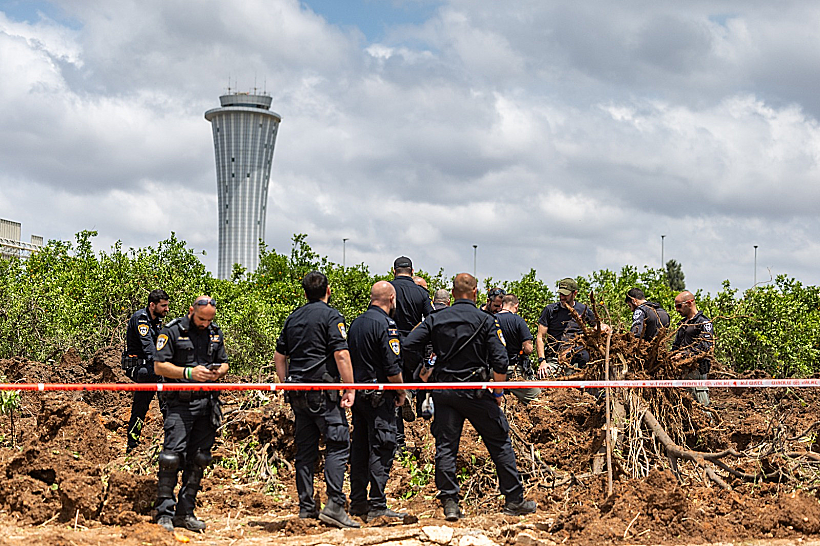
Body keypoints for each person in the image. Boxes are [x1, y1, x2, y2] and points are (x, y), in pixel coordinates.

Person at [403, 273, 536, 521]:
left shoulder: (435, 318)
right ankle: (513, 500)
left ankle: (450, 504)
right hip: (476, 390)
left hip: (444, 391)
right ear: (475, 294)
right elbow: (501, 359)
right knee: (499, 442)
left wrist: (423, 369)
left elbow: (409, 344)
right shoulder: (486, 320)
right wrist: (498, 391)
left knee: (446, 447)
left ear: (452, 294)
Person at [273, 271, 359, 529]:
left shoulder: (293, 317)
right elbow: (341, 355)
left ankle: (306, 506)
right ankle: (334, 504)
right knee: (338, 443)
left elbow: (279, 357)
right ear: (328, 291)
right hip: (323, 394)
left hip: (297, 392)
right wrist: (350, 389)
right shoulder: (332, 316)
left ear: (304, 292)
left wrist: (286, 383)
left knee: (306, 450)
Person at [153, 296, 228, 532]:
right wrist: (188, 373)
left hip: (207, 403)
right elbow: (159, 366)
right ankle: (164, 512)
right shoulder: (172, 331)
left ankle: (185, 513)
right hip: (180, 404)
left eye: (209, 319)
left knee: (199, 459)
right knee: (171, 458)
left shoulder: (215, 333)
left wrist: (217, 373)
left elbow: (224, 363)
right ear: (191, 311)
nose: (205, 323)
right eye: (201, 318)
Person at [347, 281, 408, 522]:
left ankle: (358, 501)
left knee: (360, 447)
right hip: (380, 396)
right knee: (383, 445)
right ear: (391, 298)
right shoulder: (387, 325)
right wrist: (401, 391)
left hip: (359, 394)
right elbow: (392, 367)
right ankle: (377, 504)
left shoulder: (356, 323)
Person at [390, 256, 434, 439]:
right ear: (412, 271)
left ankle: (398, 441)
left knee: (392, 393)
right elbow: (432, 320)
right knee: (415, 381)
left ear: (393, 271)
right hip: (414, 346)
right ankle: (423, 433)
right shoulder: (421, 293)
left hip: (390, 345)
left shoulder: (388, 290)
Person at [122, 289, 170, 453]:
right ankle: (132, 444)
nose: (167, 309)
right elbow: (150, 349)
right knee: (144, 404)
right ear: (152, 305)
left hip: (151, 367)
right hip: (139, 367)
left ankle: (172, 441)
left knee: (155, 401)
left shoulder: (156, 320)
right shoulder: (141, 319)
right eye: (163, 306)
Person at [536, 278, 597, 378]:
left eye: (565, 294)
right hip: (555, 359)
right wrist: (542, 361)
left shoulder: (583, 310)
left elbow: (597, 326)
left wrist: (604, 328)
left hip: (577, 357)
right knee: (543, 378)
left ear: (574, 293)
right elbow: (540, 337)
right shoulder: (550, 310)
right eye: (560, 294)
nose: (562, 297)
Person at [496, 294, 540, 405]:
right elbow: (529, 349)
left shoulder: (491, 320)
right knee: (538, 397)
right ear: (516, 306)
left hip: (493, 371)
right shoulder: (518, 320)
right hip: (513, 371)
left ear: (502, 305)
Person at [671, 291, 713, 406]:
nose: (677, 310)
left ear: (689, 303)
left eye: (679, 306)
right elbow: (676, 345)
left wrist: (684, 354)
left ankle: (709, 423)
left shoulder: (704, 322)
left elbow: (706, 345)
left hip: (697, 369)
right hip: (682, 371)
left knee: (702, 405)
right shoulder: (683, 324)